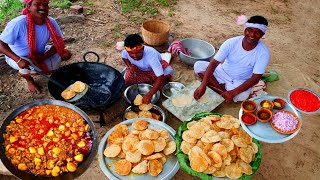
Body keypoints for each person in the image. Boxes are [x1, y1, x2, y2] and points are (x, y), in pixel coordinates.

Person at [193, 15, 270, 104]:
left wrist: (233, 92)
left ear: (262, 35)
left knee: (242, 96)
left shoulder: (263, 53)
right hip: (222, 72)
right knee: (198, 65)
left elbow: (256, 78)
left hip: (239, 81)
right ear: (245, 30)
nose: (252, 35)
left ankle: (216, 87)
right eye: (250, 30)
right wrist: (203, 85)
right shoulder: (231, 42)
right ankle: (222, 91)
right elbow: (214, 63)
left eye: (257, 32)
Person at [0, 0, 71, 94]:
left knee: (66, 54)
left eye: (45, 5)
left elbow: (59, 43)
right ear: (28, 6)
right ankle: (29, 81)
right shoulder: (18, 23)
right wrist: (18, 60)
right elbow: (1, 44)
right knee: (25, 65)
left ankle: (49, 71)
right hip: (18, 56)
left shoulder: (51, 22)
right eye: (37, 4)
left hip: (39, 53)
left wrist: (43, 57)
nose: (42, 7)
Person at [122, 34, 174, 104]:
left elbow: (160, 76)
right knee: (128, 79)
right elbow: (124, 58)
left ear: (143, 49)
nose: (134, 56)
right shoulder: (125, 51)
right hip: (139, 68)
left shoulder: (151, 55)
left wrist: (150, 93)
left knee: (167, 73)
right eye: (131, 53)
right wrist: (130, 66)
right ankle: (149, 81)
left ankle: (150, 82)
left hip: (153, 69)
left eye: (137, 53)